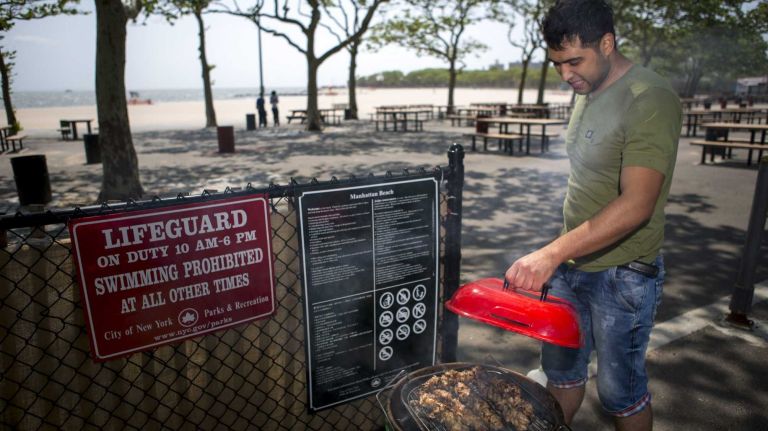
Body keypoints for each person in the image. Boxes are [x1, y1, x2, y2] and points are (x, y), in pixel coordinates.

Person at [504, 1, 681, 430]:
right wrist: (560, 255)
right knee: (561, 376)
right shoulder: (587, 87)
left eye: (574, 61)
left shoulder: (648, 97)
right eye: (557, 64)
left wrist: (548, 254)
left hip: (624, 276)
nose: (566, 74)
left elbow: (638, 204)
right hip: (571, 265)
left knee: (621, 394)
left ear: (607, 43)